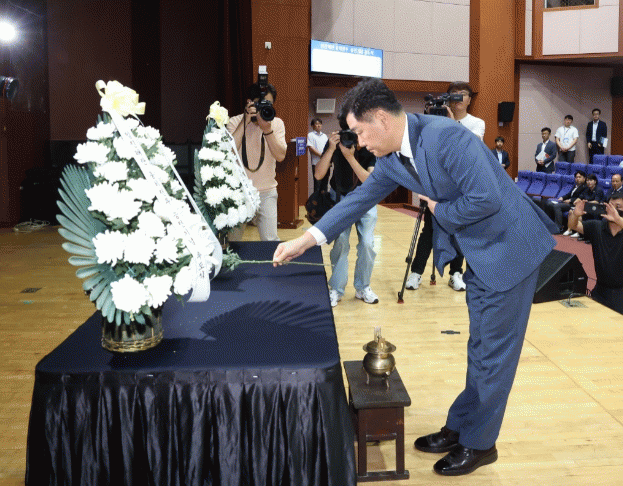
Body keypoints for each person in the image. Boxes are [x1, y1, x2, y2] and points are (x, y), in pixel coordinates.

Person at [273, 78, 558, 476]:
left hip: (510, 250)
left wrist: (440, 211)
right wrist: (307, 240)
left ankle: (480, 444)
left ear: (381, 120)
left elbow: (487, 198)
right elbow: (358, 199)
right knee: (480, 349)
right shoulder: (394, 159)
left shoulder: (446, 138)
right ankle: (460, 427)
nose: (359, 143)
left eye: (360, 132)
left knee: (493, 355)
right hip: (480, 252)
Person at [406, 81, 485, 292]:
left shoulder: (476, 123)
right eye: (454, 94)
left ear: (469, 99)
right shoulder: (435, 120)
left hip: (462, 186)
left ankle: (455, 273)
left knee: (459, 230)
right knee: (429, 230)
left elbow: (474, 147)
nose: (458, 98)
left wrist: (452, 124)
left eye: (462, 94)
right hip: (437, 184)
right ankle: (416, 272)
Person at [314, 116, 378, 307]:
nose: (352, 136)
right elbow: (319, 174)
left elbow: (369, 181)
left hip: (365, 199)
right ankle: (336, 288)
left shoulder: (370, 144)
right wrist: (331, 149)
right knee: (341, 243)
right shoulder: (336, 144)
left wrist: (349, 156)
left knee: (367, 244)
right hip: (340, 198)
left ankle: (363, 287)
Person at [227, 82, 287, 241]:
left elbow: (280, 156)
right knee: (233, 241)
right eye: (259, 104)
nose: (263, 108)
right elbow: (228, 153)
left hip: (267, 192)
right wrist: (245, 122)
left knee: (270, 241)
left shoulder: (276, 123)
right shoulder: (235, 121)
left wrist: (267, 130)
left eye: (268, 104)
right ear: (249, 102)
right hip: (239, 192)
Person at [568, 194, 623, 314]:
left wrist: (618, 220)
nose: (612, 210)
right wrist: (575, 214)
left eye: (618, 207)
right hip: (600, 290)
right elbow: (573, 225)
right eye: (610, 206)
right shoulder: (597, 227)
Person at [307, 118, 328, 192]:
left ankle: (324, 199)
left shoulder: (324, 136)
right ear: (312, 126)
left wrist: (326, 157)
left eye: (320, 124)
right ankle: (316, 199)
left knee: (325, 184)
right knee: (317, 184)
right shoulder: (310, 135)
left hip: (325, 163)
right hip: (316, 163)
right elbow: (311, 148)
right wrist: (322, 155)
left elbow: (328, 147)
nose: (318, 125)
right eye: (316, 124)